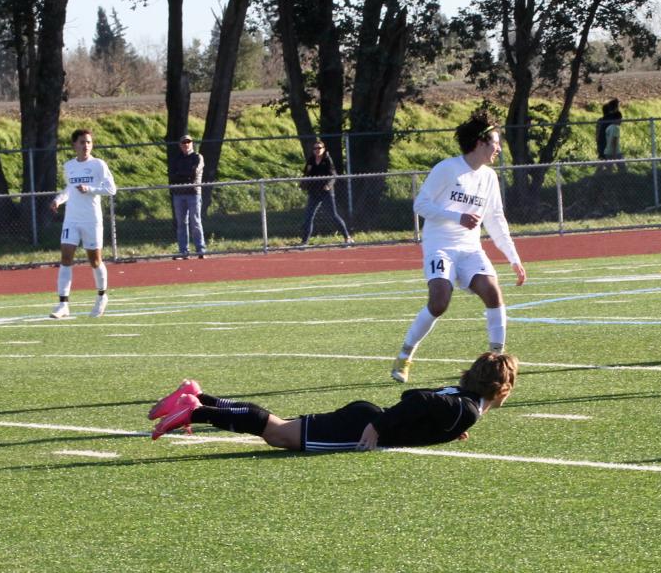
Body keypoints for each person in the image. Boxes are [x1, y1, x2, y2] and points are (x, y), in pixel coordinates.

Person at [391, 110, 527, 383]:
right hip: (440, 246)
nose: (499, 148)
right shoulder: (447, 168)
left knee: (492, 292)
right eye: (495, 142)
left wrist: (513, 257)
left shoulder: (489, 177)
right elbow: (421, 205)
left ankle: (497, 363)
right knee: (439, 302)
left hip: (470, 248)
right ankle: (405, 355)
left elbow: (496, 219)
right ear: (480, 143)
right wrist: (457, 216)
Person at [149, 352, 519, 450]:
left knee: (279, 427)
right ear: (502, 389)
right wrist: (379, 426)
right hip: (362, 426)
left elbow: (426, 405)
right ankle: (198, 410)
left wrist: (446, 432)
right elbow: (418, 399)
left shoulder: (464, 403)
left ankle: (198, 395)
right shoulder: (468, 409)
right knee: (277, 433)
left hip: (364, 418)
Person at [49, 129, 118, 319]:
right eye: (82, 142)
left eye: (88, 142)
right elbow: (69, 189)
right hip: (71, 219)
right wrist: (59, 199)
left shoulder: (98, 165)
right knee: (66, 257)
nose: (86, 145)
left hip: (92, 220)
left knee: (95, 261)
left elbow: (111, 189)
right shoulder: (69, 166)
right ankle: (63, 304)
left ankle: (102, 297)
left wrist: (90, 189)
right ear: (74, 145)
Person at [300, 138, 353, 246]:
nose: (317, 150)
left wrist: (328, 185)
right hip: (313, 192)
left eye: (319, 148)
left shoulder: (327, 160)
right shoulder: (311, 160)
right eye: (315, 148)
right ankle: (304, 241)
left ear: (324, 149)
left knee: (333, 215)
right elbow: (306, 173)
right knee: (308, 217)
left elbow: (334, 175)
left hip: (326, 192)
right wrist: (303, 182)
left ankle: (347, 237)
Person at [168, 134, 206, 259]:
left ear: (192, 143)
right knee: (181, 223)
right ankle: (184, 252)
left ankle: (201, 250)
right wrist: (184, 175)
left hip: (193, 193)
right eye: (183, 142)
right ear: (180, 145)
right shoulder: (176, 159)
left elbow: (194, 173)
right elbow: (172, 175)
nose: (186, 144)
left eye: (188, 142)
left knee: (195, 221)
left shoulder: (197, 157)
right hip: (179, 194)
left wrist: (182, 175)